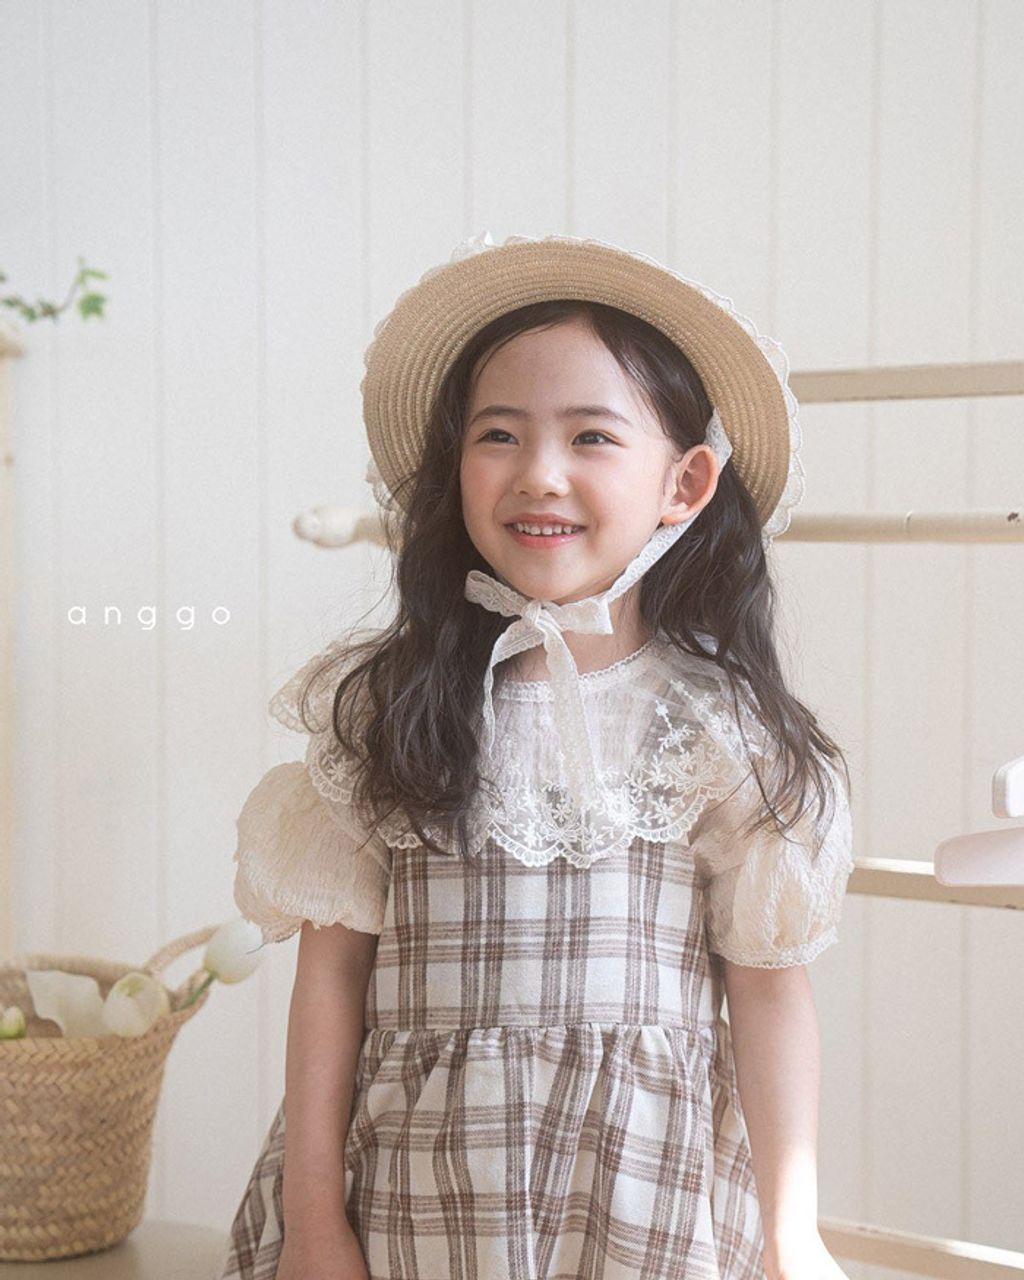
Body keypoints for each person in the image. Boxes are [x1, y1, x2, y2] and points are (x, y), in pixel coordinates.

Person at [216, 232, 856, 1280]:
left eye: (592, 436)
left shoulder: (715, 727)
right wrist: (315, 1217)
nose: (539, 475)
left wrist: (793, 1231)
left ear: (686, 481)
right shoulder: (388, 708)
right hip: (412, 1192)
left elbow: (770, 991)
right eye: (499, 435)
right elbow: (330, 974)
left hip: (638, 1193)